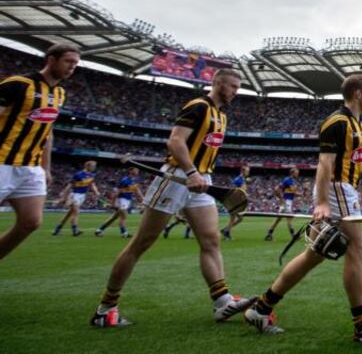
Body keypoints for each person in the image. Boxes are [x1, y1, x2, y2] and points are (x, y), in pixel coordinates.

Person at [243, 74, 362, 342]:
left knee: (314, 255)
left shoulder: (360, 127)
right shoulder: (337, 122)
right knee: (356, 248)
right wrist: (321, 202)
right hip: (336, 188)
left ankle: (261, 308)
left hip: (345, 189)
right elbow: (324, 164)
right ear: (357, 94)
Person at [91, 68, 251, 328]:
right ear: (218, 83)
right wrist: (190, 171)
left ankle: (222, 302)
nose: (235, 92)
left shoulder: (221, 115)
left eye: (237, 87)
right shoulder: (198, 106)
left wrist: (199, 176)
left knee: (211, 239)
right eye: (232, 86)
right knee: (142, 242)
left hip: (201, 181)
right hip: (177, 178)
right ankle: (105, 307)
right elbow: (175, 141)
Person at [0, 44, 79, 261]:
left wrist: (46, 167)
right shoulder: (18, 84)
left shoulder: (59, 93)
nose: (72, 67)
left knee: (31, 222)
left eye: (75, 64)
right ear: (51, 60)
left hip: (31, 167)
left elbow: (48, 132)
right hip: (3, 162)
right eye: (68, 62)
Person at [54, 159, 101, 237]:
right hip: (74, 194)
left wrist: (96, 192)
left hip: (82, 196)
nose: (94, 168)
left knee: (69, 214)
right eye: (93, 166)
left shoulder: (91, 175)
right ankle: (75, 230)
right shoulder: (78, 174)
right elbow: (69, 186)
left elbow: (92, 185)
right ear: (87, 166)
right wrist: (63, 196)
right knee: (76, 212)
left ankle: (57, 229)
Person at [95, 168, 142, 238]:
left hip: (127, 200)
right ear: (130, 171)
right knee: (124, 216)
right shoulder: (125, 181)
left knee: (114, 217)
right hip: (121, 200)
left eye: (137, 170)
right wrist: (113, 203)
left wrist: (142, 199)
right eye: (135, 170)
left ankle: (99, 230)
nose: (137, 171)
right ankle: (124, 233)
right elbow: (117, 193)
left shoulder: (134, 181)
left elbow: (137, 191)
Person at [265, 168, 301, 241]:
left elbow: (293, 192)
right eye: (297, 172)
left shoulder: (291, 181)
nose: (298, 174)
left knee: (279, 219)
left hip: (288, 201)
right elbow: (277, 189)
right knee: (289, 218)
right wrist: (281, 199)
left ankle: (269, 233)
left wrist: (301, 194)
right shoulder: (288, 180)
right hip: (286, 202)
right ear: (292, 173)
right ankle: (293, 235)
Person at [220, 165, 250, 240]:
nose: (248, 173)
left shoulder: (242, 179)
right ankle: (226, 233)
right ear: (243, 171)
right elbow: (235, 191)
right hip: (234, 202)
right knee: (233, 218)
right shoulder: (238, 180)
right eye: (247, 171)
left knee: (239, 218)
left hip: (237, 202)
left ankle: (225, 230)